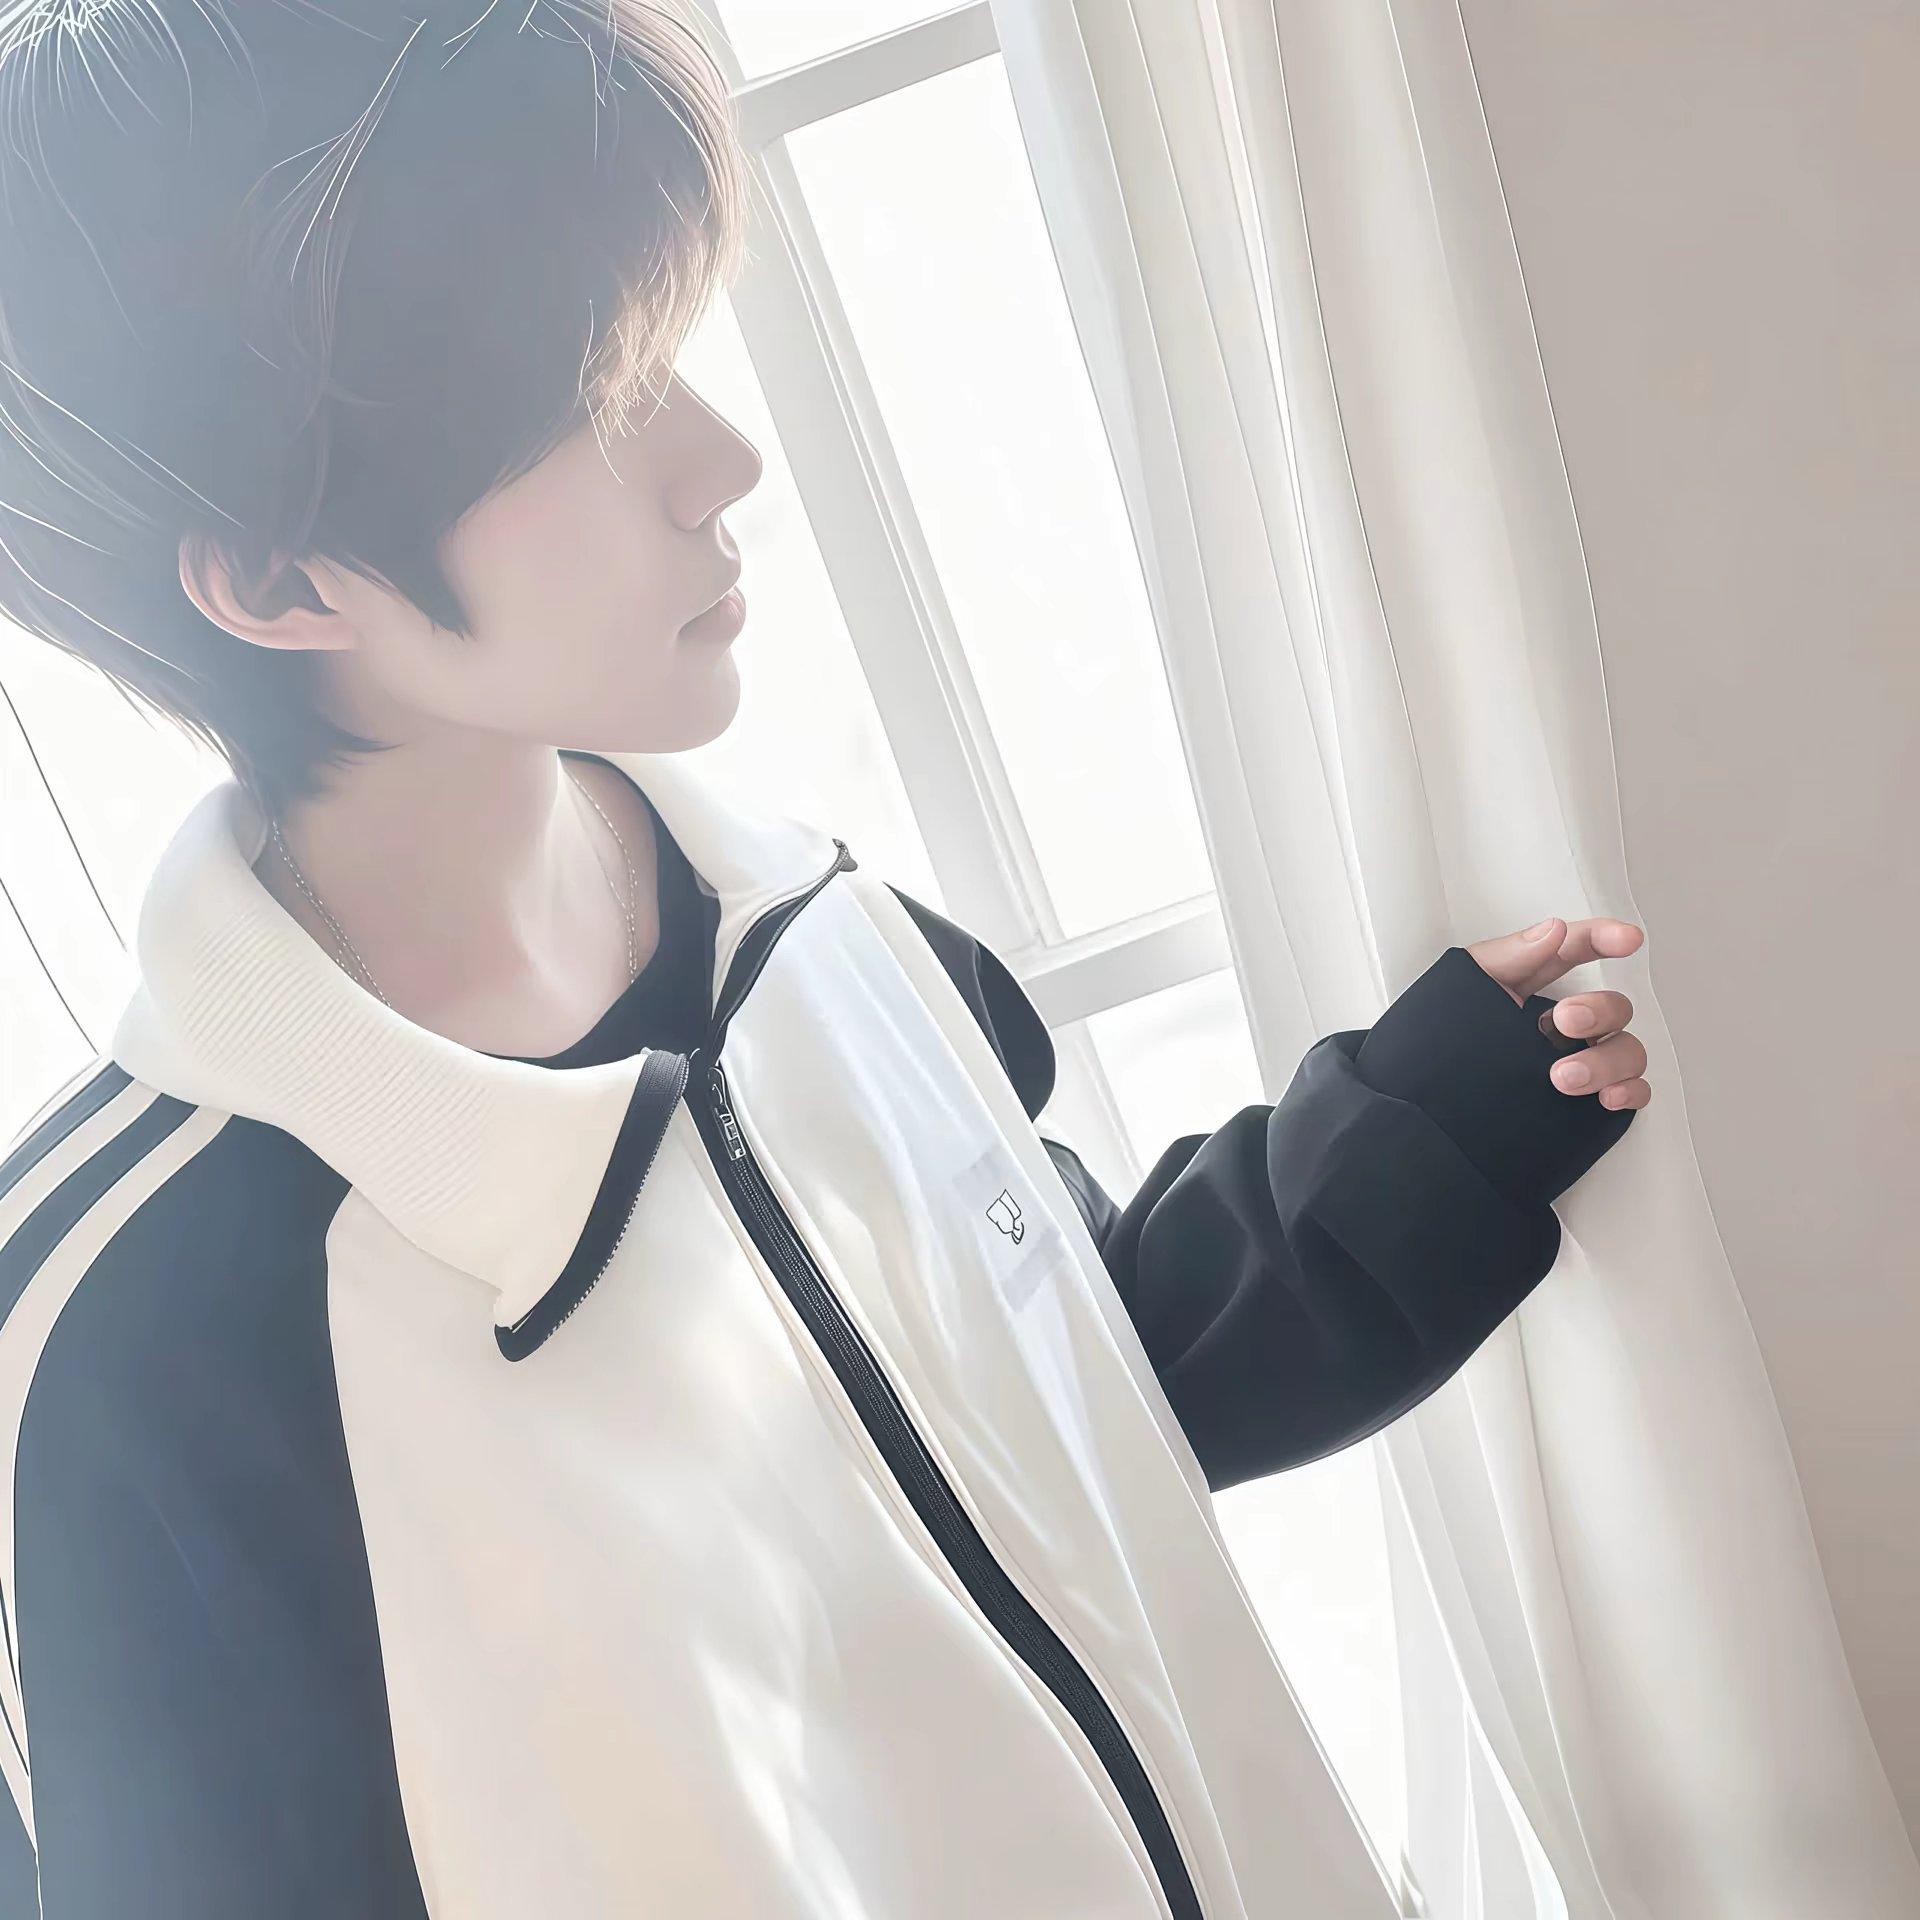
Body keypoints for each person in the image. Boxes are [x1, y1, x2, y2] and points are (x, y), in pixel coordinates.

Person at [0, 1, 1650, 1911]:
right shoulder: (123, 1367)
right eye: (591, 399)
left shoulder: (821, 933)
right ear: (282, 583)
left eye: (667, 353)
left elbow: (1049, 1438)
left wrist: (1420, 1138)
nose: (722, 458)